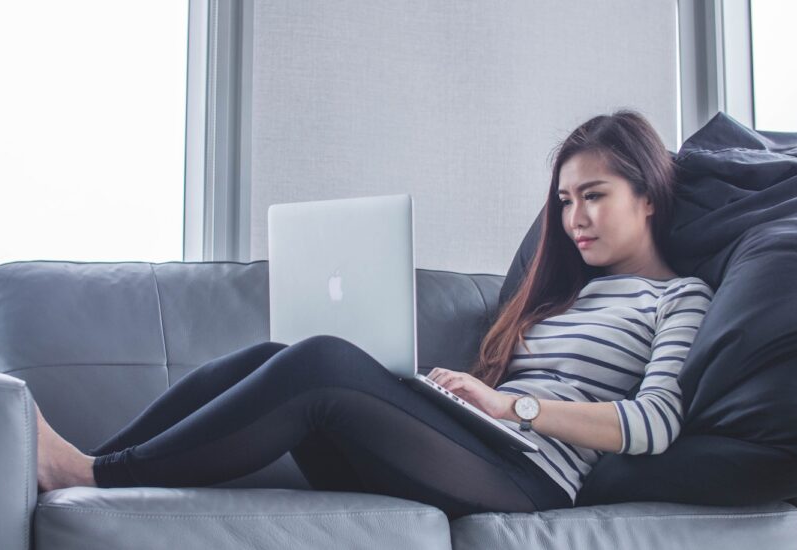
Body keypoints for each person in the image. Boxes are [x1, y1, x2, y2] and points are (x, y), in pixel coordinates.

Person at [35, 109, 714, 519]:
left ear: (648, 195)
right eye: (564, 201)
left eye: (592, 195)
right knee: (279, 356)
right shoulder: (564, 294)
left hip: (531, 479)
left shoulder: (679, 297)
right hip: (474, 448)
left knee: (322, 362)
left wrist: (514, 409)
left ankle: (91, 475)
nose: (573, 219)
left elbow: (654, 424)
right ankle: (96, 465)